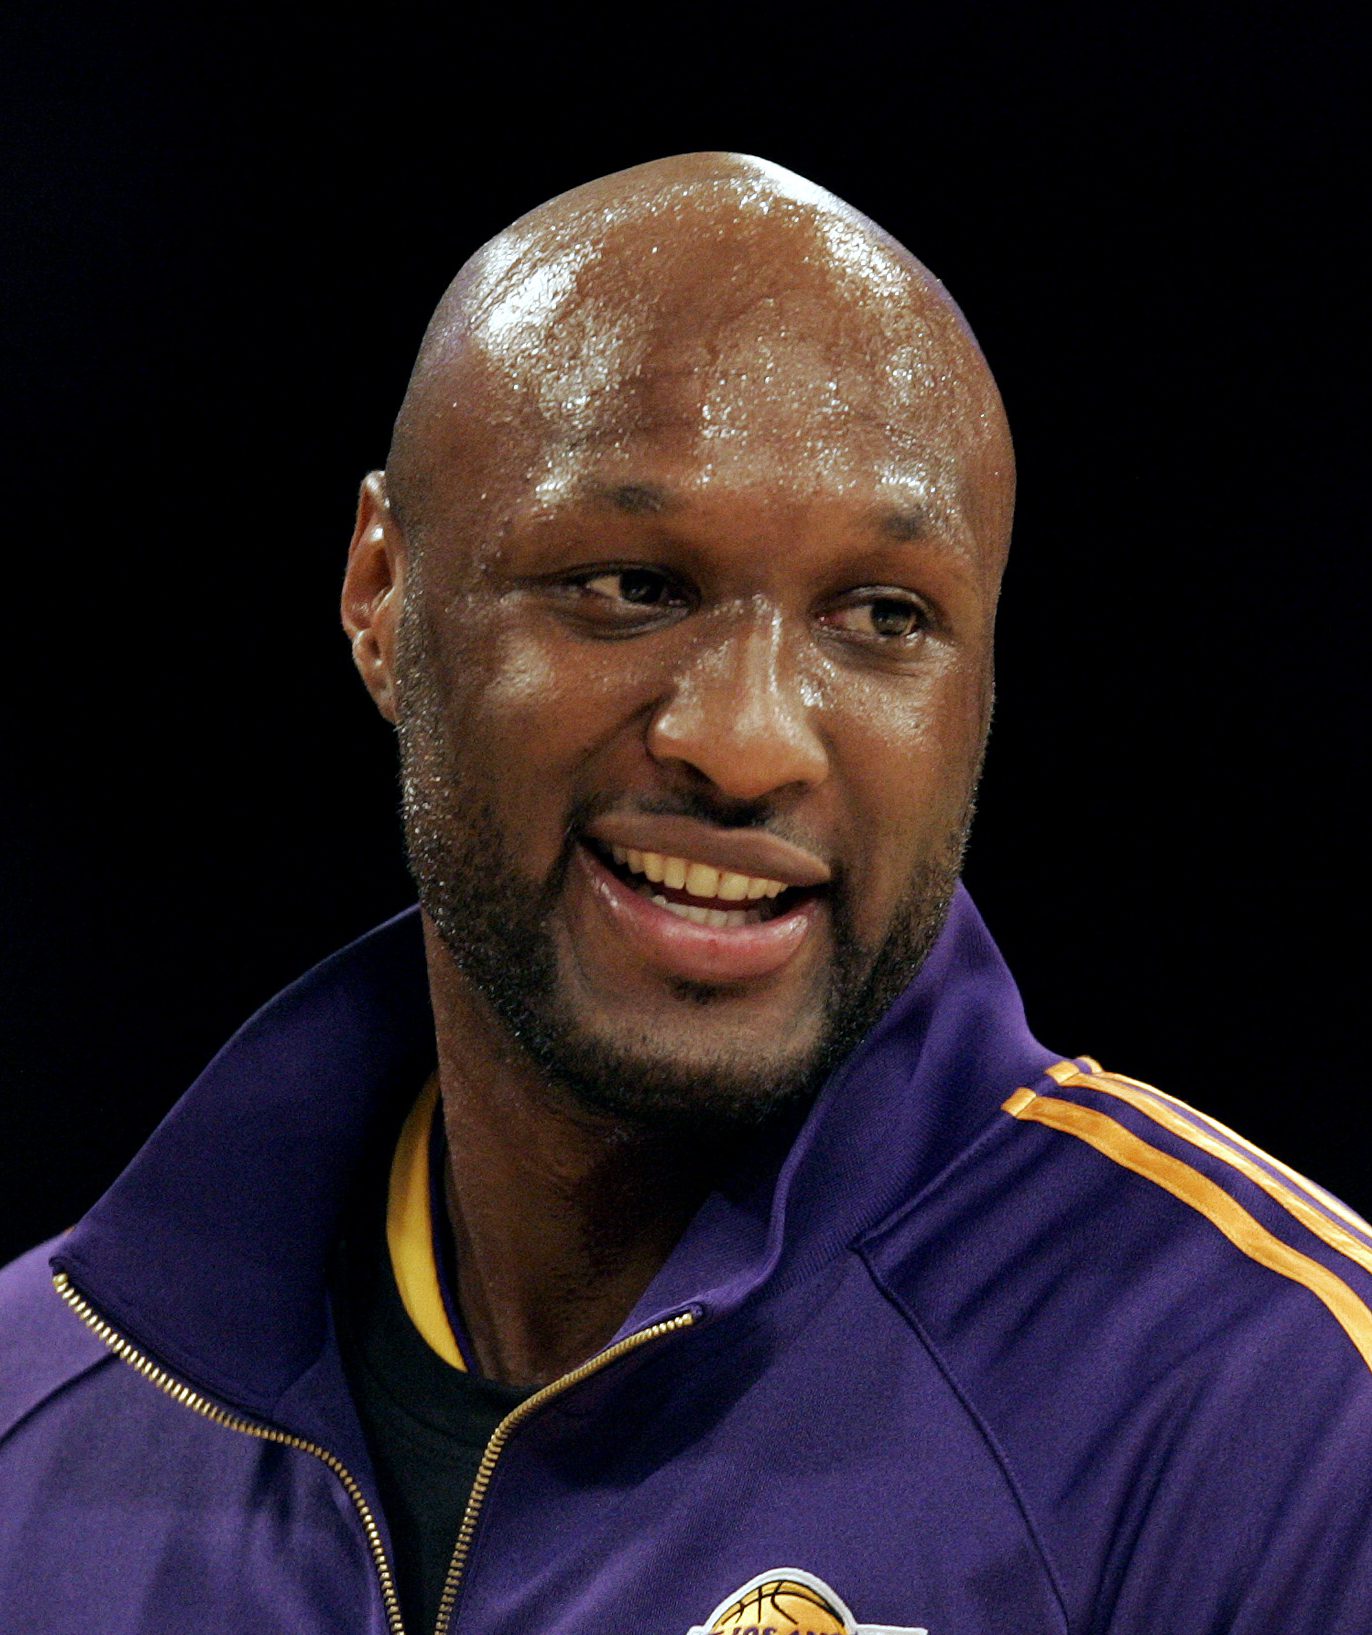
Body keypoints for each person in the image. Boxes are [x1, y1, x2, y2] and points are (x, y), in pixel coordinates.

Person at [1, 152, 1369, 1635]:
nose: (747, 741)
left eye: (883, 616)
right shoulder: (35, 1419)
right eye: (632, 587)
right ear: (381, 594)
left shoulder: (1278, 1422)